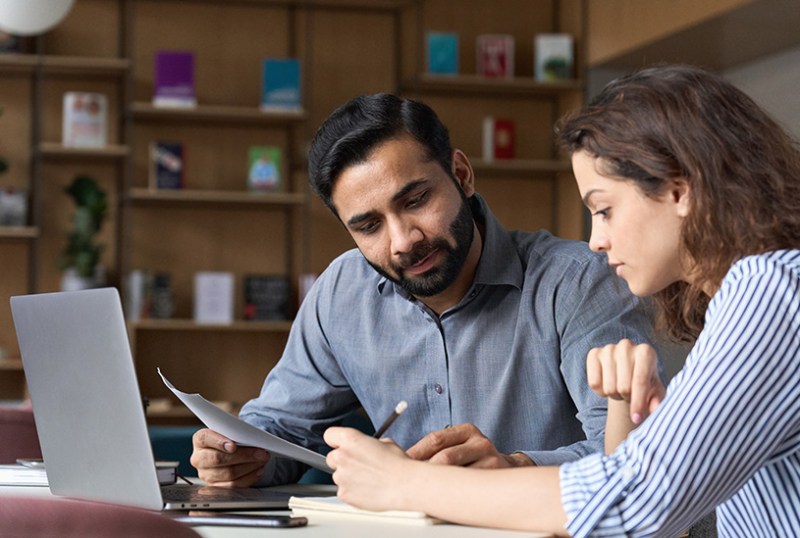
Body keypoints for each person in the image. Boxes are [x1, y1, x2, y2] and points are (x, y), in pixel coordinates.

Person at [322, 65, 800, 537]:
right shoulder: (755, 295)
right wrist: (621, 408)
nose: (595, 240)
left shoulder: (771, 290)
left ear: (679, 190)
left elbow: (634, 503)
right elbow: (636, 505)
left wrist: (408, 483)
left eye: (605, 209)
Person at [191, 93, 654, 487]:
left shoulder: (577, 281)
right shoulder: (342, 292)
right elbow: (282, 430)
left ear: (462, 175)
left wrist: (514, 468)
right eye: (369, 225)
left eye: (416, 201)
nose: (403, 241)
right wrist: (238, 455)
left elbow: (635, 461)